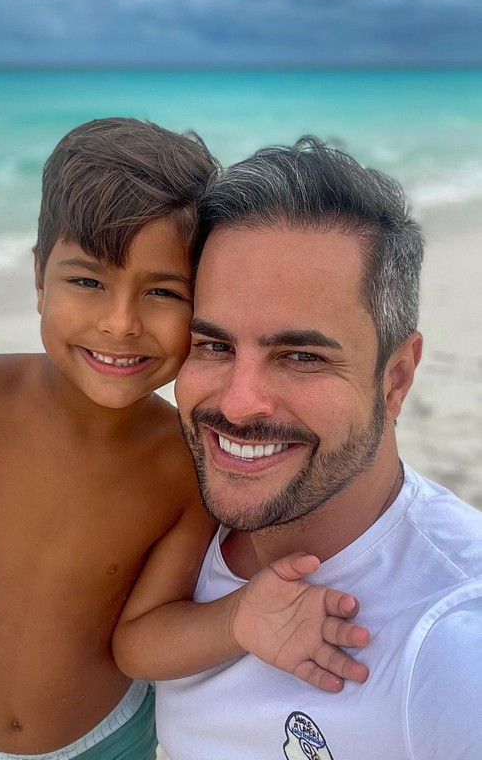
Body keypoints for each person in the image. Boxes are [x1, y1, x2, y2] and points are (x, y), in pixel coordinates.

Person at [0, 121, 369, 760]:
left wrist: (238, 621)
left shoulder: (186, 464)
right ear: (38, 276)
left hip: (109, 743)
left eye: (162, 292)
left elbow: (140, 640)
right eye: (87, 281)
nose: (121, 323)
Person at [153, 136, 482, 759]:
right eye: (214, 346)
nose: (239, 402)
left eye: (301, 356)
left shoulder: (451, 644)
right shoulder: (161, 531)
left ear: (396, 378)